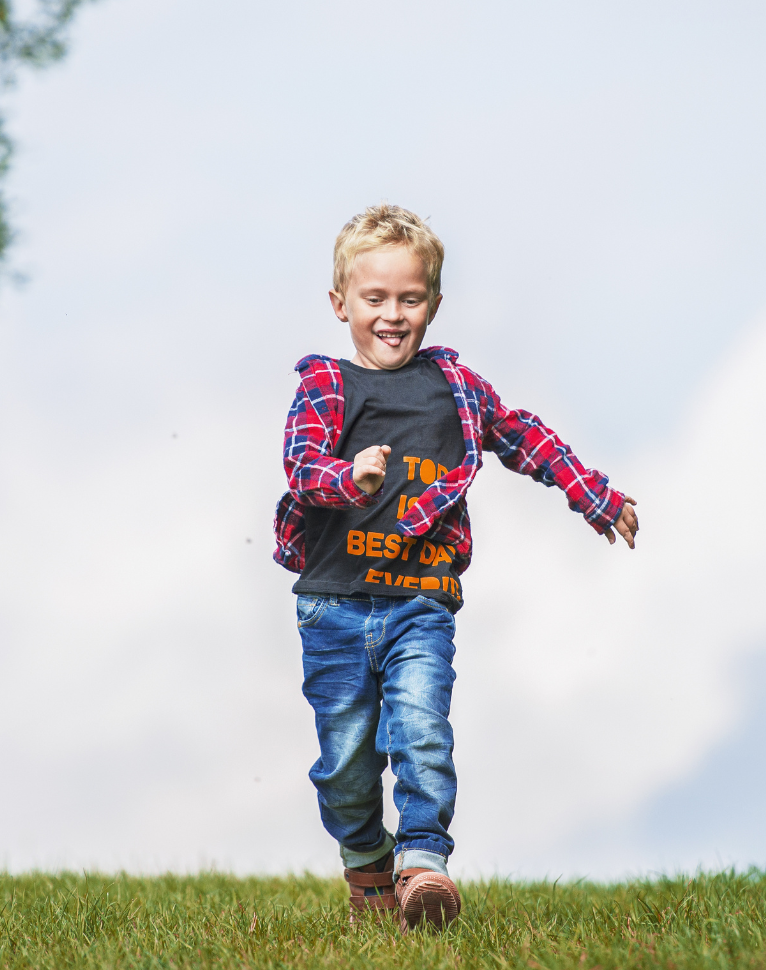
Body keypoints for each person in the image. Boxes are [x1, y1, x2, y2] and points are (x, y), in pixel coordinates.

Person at [273, 204, 640, 931]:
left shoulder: (457, 388)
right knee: (344, 766)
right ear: (339, 302)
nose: (392, 315)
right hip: (334, 606)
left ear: (434, 304)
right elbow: (303, 468)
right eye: (374, 299)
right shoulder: (324, 386)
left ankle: (423, 865)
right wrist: (353, 478)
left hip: (420, 602)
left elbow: (524, 436)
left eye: (409, 299)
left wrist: (592, 494)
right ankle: (368, 863)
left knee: (422, 731)